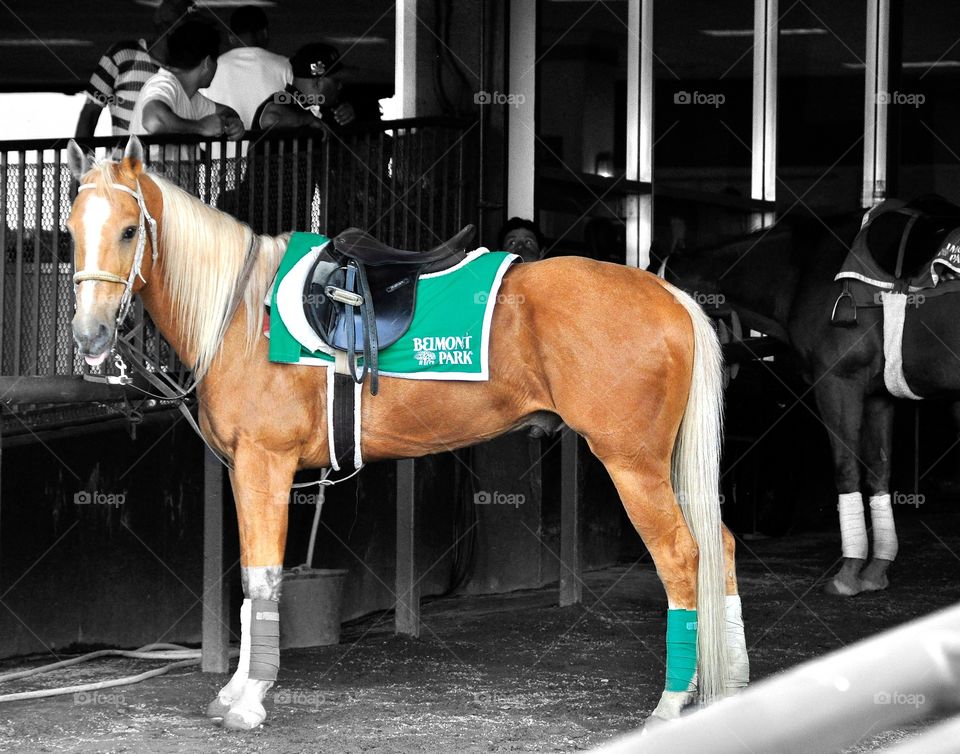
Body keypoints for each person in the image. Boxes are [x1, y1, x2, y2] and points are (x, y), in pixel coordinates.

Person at [75, 0, 195, 137]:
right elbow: (90, 113)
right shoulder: (122, 55)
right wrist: (82, 156)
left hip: (171, 159)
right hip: (126, 158)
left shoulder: (190, 68)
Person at [200, 5, 293, 131]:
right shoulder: (285, 66)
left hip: (219, 149)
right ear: (265, 32)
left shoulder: (211, 67)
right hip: (268, 149)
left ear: (231, 37)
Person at [253, 43, 356, 132]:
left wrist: (348, 117)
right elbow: (270, 118)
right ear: (317, 83)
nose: (339, 86)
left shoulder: (327, 107)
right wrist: (307, 120)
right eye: (336, 81)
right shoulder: (282, 101)